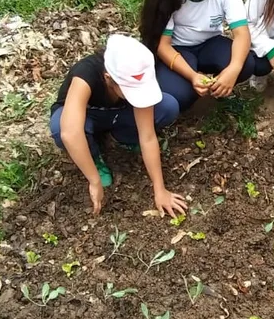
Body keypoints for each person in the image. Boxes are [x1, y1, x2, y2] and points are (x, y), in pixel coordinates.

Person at [49, 34, 187, 217]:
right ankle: (94, 155)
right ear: (108, 78)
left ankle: (124, 137)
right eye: (129, 89)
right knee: (60, 128)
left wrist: (159, 189)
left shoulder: (139, 70)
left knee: (167, 107)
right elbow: (70, 132)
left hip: (120, 114)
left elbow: (147, 136)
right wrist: (94, 180)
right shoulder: (85, 75)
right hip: (89, 117)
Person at [139, 0, 254, 112]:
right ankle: (190, 82)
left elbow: (242, 34)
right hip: (178, 49)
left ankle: (218, 84)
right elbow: (162, 45)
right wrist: (192, 76)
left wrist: (233, 69)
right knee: (179, 97)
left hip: (210, 43)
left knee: (245, 63)